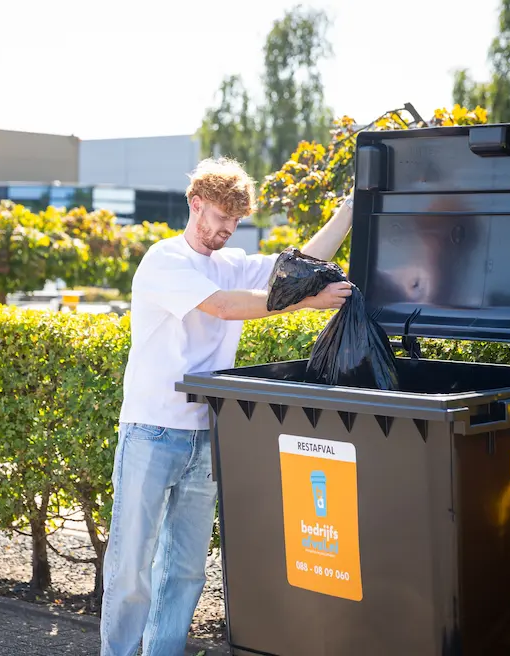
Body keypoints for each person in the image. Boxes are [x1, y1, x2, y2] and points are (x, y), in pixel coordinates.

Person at [100, 156, 354, 656]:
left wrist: (348, 209)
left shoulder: (231, 261)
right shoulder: (164, 260)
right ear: (196, 205)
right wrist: (303, 302)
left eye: (235, 222)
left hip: (207, 433)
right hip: (152, 430)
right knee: (131, 566)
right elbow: (223, 306)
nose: (226, 230)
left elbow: (299, 263)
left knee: (187, 570)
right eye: (220, 218)